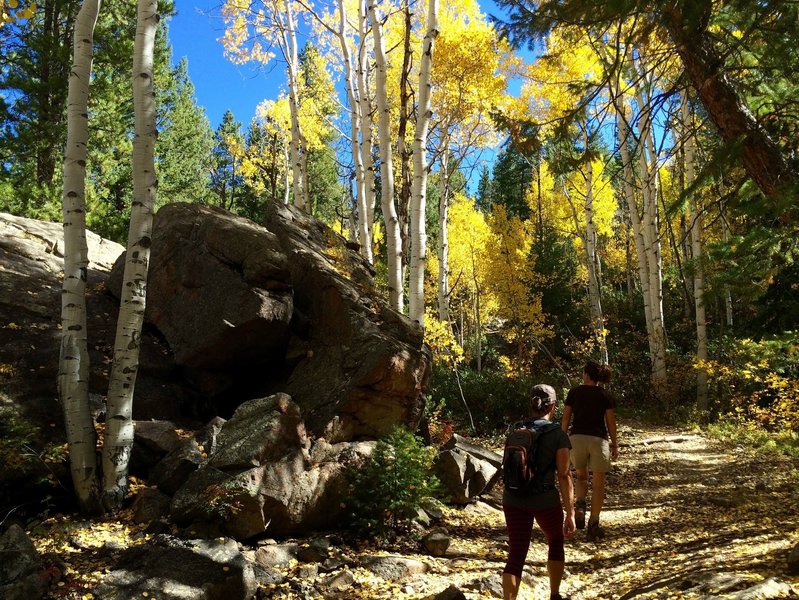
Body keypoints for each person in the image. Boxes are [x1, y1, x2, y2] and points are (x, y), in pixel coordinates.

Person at [502, 384, 576, 600]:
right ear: (553, 405)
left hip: (513, 498)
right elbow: (564, 474)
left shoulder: (516, 431)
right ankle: (554, 594)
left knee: (516, 552)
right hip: (545, 500)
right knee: (555, 540)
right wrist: (570, 512)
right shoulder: (558, 435)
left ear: (532, 404)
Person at [560, 361, 618, 540]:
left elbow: (566, 418)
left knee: (581, 477)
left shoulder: (574, 392)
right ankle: (594, 524)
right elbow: (610, 422)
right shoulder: (605, 395)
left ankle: (580, 505)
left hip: (577, 439)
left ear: (586, 375)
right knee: (599, 484)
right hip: (598, 440)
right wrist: (614, 444)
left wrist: (562, 439)